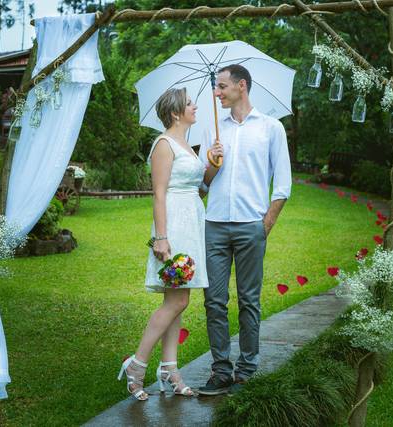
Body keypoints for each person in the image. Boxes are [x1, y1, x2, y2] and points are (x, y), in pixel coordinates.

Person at [118, 87, 223, 400]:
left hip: (192, 222)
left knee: (179, 300)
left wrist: (213, 163)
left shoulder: (186, 146)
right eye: (190, 103)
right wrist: (161, 237)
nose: (195, 107)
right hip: (174, 227)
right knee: (176, 300)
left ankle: (169, 368)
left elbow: (199, 187)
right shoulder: (163, 144)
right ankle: (137, 364)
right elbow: (159, 193)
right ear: (176, 112)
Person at [197, 64, 292, 395]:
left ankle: (246, 371)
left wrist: (264, 226)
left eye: (222, 86)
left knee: (249, 301)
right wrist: (211, 163)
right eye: (216, 87)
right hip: (215, 227)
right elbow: (201, 187)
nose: (217, 92)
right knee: (214, 301)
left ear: (242, 86)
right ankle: (221, 371)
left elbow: (282, 186)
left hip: (251, 227)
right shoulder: (212, 129)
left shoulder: (271, 128)